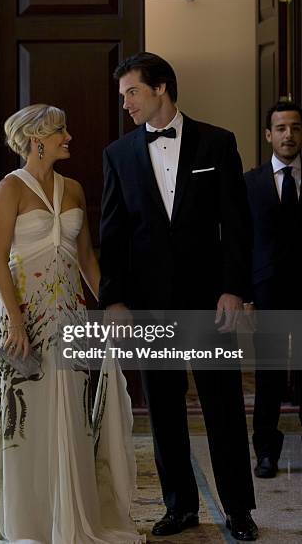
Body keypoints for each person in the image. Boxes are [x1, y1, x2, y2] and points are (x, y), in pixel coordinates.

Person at [0, 104, 144, 543]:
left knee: (73, 416)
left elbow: (86, 261)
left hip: (72, 318)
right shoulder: (8, 190)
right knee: (28, 421)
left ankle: (73, 516)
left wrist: (111, 305)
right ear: (37, 139)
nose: (69, 137)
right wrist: (17, 324)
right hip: (27, 318)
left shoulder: (75, 190)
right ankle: (30, 521)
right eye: (60, 130)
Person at [99, 52, 258, 541]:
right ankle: (180, 507)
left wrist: (234, 289)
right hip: (148, 303)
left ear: (161, 88)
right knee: (164, 410)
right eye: (124, 93)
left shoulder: (217, 142)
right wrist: (114, 300)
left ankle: (239, 510)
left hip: (210, 301)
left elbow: (236, 224)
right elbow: (113, 233)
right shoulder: (118, 154)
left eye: (132, 92)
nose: (125, 102)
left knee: (224, 408)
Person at [244, 100, 302, 478]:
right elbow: (240, 242)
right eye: (281, 128)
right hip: (267, 293)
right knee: (269, 377)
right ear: (269, 135)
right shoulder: (250, 183)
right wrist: (245, 295)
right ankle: (266, 450)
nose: (288, 135)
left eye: (295, 128)